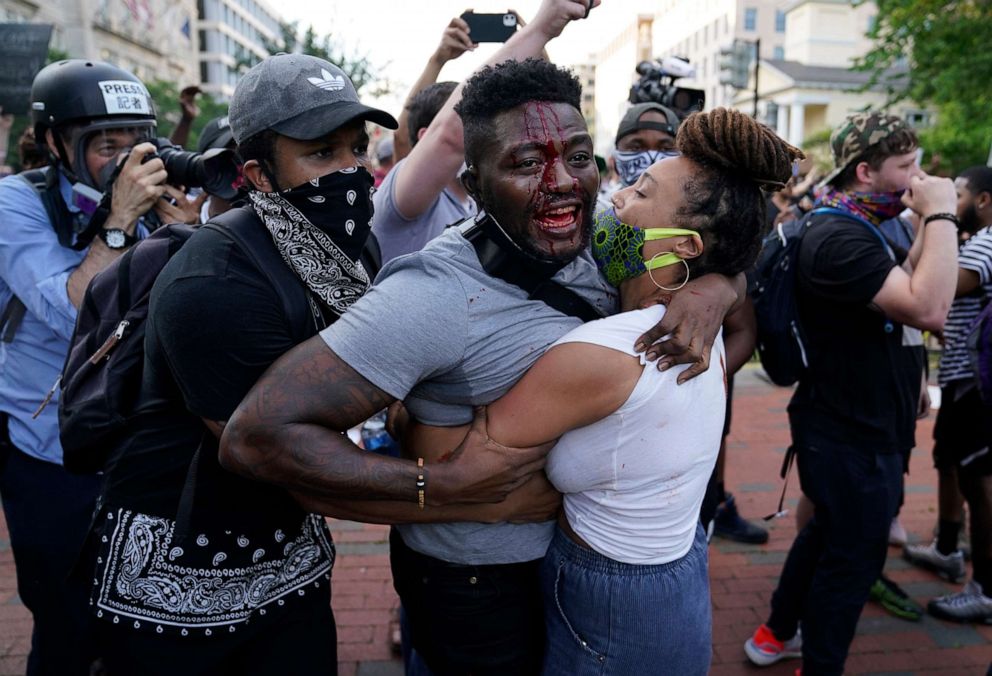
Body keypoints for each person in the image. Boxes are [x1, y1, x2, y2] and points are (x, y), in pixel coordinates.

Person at [222, 55, 743, 675]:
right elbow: (255, 437)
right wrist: (439, 485)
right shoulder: (432, 295)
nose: (561, 182)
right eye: (525, 163)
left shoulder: (594, 235)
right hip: (475, 584)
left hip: (568, 568)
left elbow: (717, 241)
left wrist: (714, 289)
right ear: (473, 180)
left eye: (578, 157)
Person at [85, 52, 552, 675]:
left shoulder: (355, 246)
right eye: (320, 153)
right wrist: (456, 493)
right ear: (259, 174)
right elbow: (273, 457)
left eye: (357, 149)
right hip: (174, 574)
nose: (351, 170)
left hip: (287, 558)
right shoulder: (214, 281)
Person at [396, 108, 802, 675]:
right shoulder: (686, 326)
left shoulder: (611, 350)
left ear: (684, 244)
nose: (615, 200)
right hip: (675, 572)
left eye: (640, 192)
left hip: (611, 600)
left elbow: (458, 459)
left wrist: (400, 409)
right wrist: (717, 284)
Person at [744, 112, 960, 675]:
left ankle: (775, 632)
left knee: (825, 536)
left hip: (853, 421)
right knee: (852, 562)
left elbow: (902, 290)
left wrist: (911, 378)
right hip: (848, 431)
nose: (918, 176)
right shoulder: (839, 235)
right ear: (865, 172)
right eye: (906, 167)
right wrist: (940, 212)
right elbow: (931, 308)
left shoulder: (854, 222)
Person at [0, 59, 166, 676]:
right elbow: (72, 314)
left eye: (136, 141)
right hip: (49, 452)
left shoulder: (154, 199)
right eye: (105, 145)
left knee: (137, 624)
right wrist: (121, 222)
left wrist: (187, 233)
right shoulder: (15, 203)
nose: (127, 162)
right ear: (53, 143)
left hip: (135, 447)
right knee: (67, 626)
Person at [907, 165, 992, 623]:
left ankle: (986, 589)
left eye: (956, 194)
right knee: (952, 463)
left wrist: (929, 221)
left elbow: (940, 290)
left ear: (982, 201)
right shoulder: (979, 241)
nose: (950, 201)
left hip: (977, 385)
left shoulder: (987, 242)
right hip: (964, 378)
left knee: (980, 481)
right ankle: (946, 548)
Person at [597, 101, 680, 211]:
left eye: (665, 148)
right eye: (636, 148)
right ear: (616, 162)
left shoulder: (701, 219)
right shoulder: (598, 217)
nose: (651, 160)